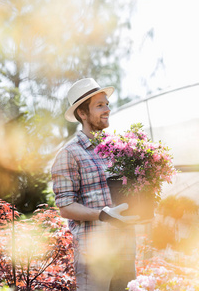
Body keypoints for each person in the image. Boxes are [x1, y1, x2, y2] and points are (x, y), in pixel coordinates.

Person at [51, 78, 139, 291]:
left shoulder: (116, 151)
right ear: (82, 113)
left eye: (107, 104)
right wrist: (103, 214)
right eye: (99, 105)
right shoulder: (69, 154)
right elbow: (65, 207)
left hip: (124, 249)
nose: (107, 109)